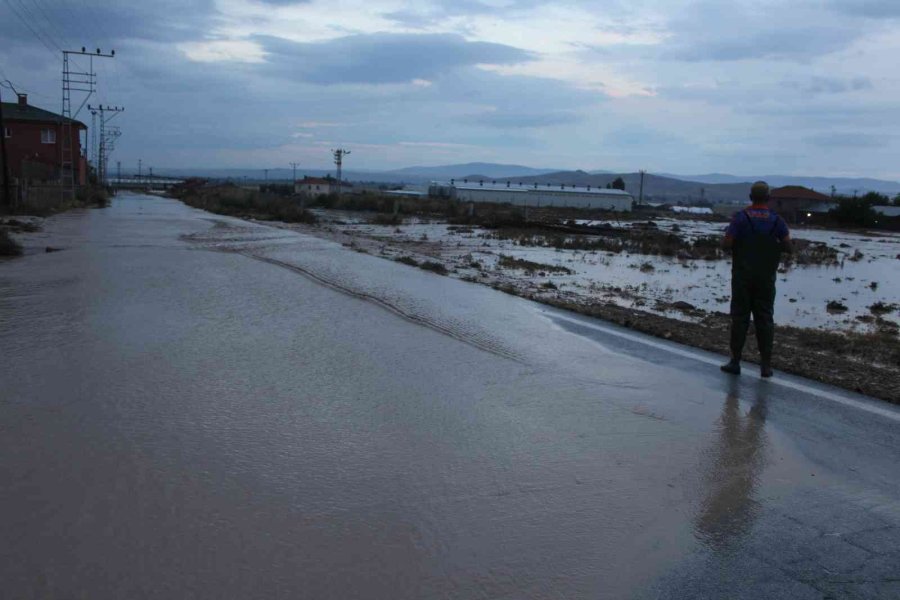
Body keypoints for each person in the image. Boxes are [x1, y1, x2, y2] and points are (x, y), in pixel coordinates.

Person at [720, 181, 792, 377]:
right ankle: (765, 366)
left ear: (751, 197)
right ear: (768, 198)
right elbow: (788, 247)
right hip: (766, 279)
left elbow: (727, 244)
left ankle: (735, 362)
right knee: (765, 319)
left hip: (742, 277)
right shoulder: (777, 221)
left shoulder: (740, 218)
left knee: (739, 319)